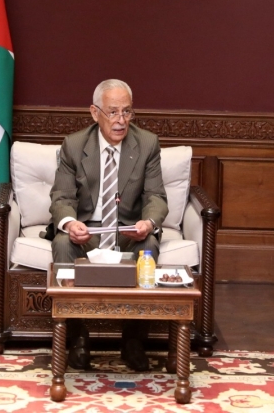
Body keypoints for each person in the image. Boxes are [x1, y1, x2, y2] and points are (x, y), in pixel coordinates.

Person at [49, 79, 168, 371]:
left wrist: (148, 222)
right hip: (88, 231)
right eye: (113, 112)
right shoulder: (74, 145)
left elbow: (156, 196)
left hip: (127, 231)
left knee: (149, 244)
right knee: (62, 242)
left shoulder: (147, 144)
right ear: (95, 113)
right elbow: (62, 196)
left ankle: (133, 340)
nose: (121, 120)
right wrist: (70, 223)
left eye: (127, 112)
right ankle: (78, 338)